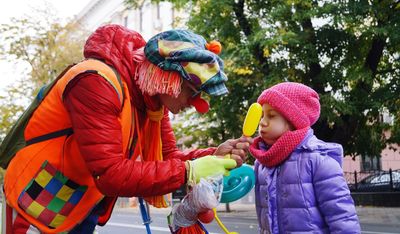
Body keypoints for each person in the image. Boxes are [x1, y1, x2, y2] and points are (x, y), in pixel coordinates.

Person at [3, 24, 250, 233]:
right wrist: (190, 170)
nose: (196, 103)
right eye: (193, 91)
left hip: (80, 202)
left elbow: (169, 160)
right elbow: (111, 174)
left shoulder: (153, 105)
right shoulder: (96, 82)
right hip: (38, 200)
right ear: (168, 77)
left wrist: (212, 156)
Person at [249, 82, 360, 233]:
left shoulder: (318, 160)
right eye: (262, 115)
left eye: (271, 115)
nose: (262, 122)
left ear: (293, 120)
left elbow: (342, 217)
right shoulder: (262, 163)